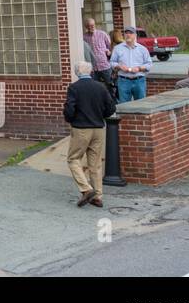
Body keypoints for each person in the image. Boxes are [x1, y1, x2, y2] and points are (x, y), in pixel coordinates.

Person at [64, 60, 116, 207]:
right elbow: (111, 107)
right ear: (91, 71)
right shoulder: (100, 87)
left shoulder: (74, 88)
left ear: (77, 72)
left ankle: (86, 189)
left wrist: (70, 119)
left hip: (81, 128)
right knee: (95, 163)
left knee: (73, 159)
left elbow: (69, 109)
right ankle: (97, 196)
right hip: (99, 127)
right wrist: (101, 115)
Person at [109, 26, 151, 102]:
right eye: (126, 33)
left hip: (139, 80)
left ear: (135, 35)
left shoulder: (142, 49)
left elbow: (149, 64)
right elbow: (112, 62)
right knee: (124, 105)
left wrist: (139, 68)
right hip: (123, 80)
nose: (128, 35)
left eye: (131, 33)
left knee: (141, 104)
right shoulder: (117, 48)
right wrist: (119, 66)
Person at [84, 18, 112, 86]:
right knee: (95, 87)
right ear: (86, 27)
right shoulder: (84, 37)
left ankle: (112, 97)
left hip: (105, 65)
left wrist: (109, 51)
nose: (92, 27)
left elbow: (110, 46)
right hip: (93, 68)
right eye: (89, 25)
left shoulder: (102, 34)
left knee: (111, 85)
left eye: (93, 25)